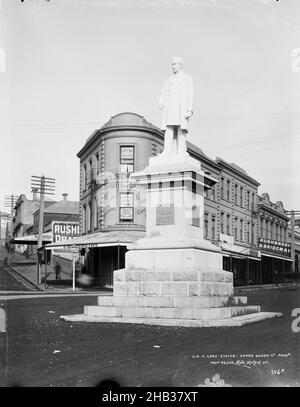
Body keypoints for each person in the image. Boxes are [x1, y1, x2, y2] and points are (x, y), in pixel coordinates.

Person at [159, 57, 194, 155]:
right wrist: (161, 101)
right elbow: (163, 92)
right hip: (170, 107)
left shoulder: (187, 78)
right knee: (169, 128)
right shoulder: (168, 80)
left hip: (181, 108)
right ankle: (167, 151)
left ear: (180, 65)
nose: (172, 66)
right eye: (172, 64)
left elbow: (190, 95)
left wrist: (189, 110)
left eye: (175, 64)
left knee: (180, 128)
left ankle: (181, 150)